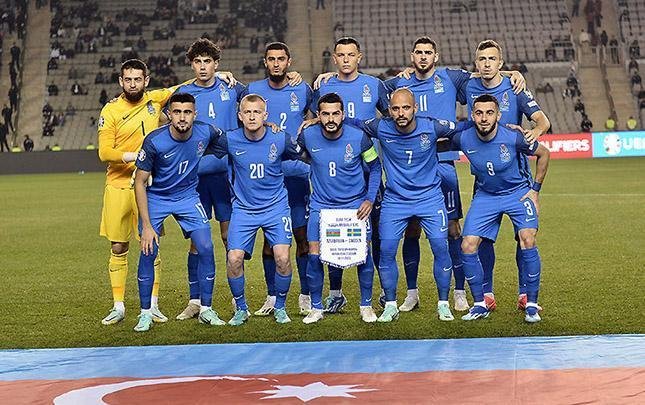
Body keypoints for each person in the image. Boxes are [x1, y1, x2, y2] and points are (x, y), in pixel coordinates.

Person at [388, 37, 528, 312]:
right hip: (412, 165)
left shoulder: (451, 77)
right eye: (419, 52)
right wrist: (329, 76)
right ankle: (412, 293)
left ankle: (460, 291)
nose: (423, 56)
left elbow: (484, 74)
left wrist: (511, 72)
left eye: (428, 52)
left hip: (444, 161)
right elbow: (368, 88)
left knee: (453, 229)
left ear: (436, 56)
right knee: (412, 229)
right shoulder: (400, 84)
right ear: (412, 56)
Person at [350, 88, 466, 322]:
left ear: (415, 108)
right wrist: (315, 120)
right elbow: (351, 121)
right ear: (389, 110)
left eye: (405, 108)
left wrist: (503, 126)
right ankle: (390, 305)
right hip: (396, 200)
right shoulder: (380, 127)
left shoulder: (432, 127)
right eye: (395, 109)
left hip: (429, 198)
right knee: (386, 251)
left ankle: (443, 303)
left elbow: (466, 126)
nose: (401, 113)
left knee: (440, 248)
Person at [464, 40, 550, 311]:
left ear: (500, 63)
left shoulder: (515, 87)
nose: (487, 64)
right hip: (484, 176)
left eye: (492, 59)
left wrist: (531, 133)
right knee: (483, 239)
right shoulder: (468, 85)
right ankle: (486, 293)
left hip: (516, 174)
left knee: (522, 237)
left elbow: (543, 122)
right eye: (482, 59)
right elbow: (434, 75)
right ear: (476, 62)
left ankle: (525, 293)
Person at [452, 94, 551, 323]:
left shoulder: (513, 136)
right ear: (472, 115)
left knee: (527, 239)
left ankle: (531, 304)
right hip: (486, 195)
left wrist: (535, 190)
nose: (484, 118)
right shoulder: (463, 137)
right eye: (479, 113)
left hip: (518, 193)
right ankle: (480, 304)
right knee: (467, 244)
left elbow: (544, 153)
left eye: (489, 113)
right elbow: (434, 142)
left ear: (498, 115)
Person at [132, 93, 225, 332]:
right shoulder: (155, 141)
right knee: (148, 250)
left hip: (187, 197)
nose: (182, 117)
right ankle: (145, 313)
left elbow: (233, 140)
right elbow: (139, 182)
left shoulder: (206, 132)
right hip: (157, 198)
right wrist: (147, 226)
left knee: (205, 246)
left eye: (187, 112)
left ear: (195, 114)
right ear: (168, 114)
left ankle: (206, 309)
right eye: (177, 112)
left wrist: (267, 124)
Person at [97, 59, 177, 326]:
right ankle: (118, 306)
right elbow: (104, 152)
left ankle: (153, 305)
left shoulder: (155, 100)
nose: (133, 84)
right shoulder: (110, 110)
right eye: (128, 79)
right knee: (118, 246)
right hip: (118, 186)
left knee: (151, 244)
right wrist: (137, 156)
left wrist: (221, 74)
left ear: (146, 80)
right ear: (121, 81)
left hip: (150, 187)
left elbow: (187, 86)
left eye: (137, 79)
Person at [209, 94, 302, 325]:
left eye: (257, 112)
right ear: (240, 116)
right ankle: (241, 309)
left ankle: (280, 307)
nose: (252, 116)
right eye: (247, 112)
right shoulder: (229, 139)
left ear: (265, 115)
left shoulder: (280, 138)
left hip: (276, 208)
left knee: (282, 258)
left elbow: (306, 153)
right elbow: (198, 143)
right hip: (244, 210)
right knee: (234, 258)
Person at [312, 37, 389, 313]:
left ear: (359, 57)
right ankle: (336, 293)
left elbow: (390, 118)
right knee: (334, 234)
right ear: (334, 58)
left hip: (369, 171)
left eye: (351, 54)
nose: (346, 59)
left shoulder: (374, 85)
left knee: (376, 235)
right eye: (341, 55)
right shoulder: (323, 86)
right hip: (339, 176)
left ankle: (383, 290)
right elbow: (314, 120)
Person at [171, 38, 245, 321]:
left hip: (227, 176)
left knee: (229, 238)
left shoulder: (232, 88)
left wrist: (294, 75)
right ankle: (195, 301)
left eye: (208, 62)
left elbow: (261, 96)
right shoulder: (183, 93)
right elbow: (163, 119)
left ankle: (238, 300)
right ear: (192, 65)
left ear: (216, 64)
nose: (203, 67)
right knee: (197, 242)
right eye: (197, 62)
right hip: (195, 180)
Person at [298, 93, 381, 324]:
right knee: (314, 255)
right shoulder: (307, 135)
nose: (331, 119)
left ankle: (366, 306)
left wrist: (369, 199)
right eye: (325, 114)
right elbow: (290, 151)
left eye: (335, 113)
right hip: (321, 206)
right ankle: (316, 307)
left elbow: (375, 167)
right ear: (318, 115)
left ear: (343, 114)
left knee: (363, 255)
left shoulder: (359, 137)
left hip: (354, 207)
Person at [244, 42, 314, 317]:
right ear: (265, 62)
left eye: (281, 59)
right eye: (271, 59)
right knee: (270, 242)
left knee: (302, 237)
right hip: (268, 178)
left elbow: (323, 112)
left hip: (297, 175)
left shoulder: (303, 89)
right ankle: (272, 296)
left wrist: (313, 121)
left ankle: (305, 295)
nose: (276, 63)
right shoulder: (252, 90)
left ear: (289, 61)